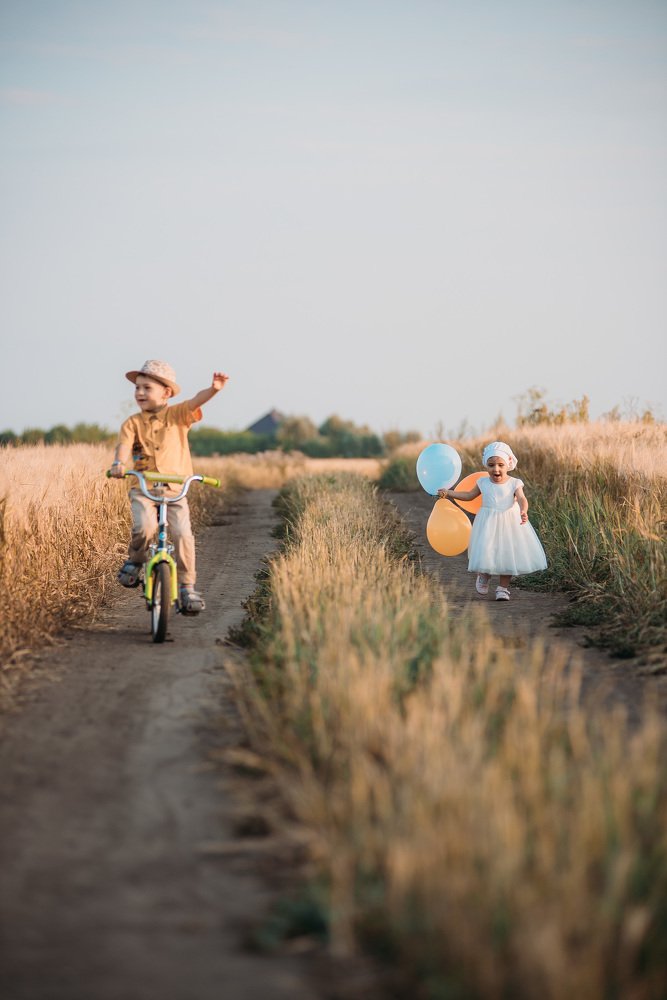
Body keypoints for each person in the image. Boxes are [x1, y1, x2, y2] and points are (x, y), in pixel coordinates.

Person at [108, 359, 229, 613]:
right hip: (144, 488)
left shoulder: (177, 415)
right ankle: (136, 560)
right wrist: (119, 463)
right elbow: (123, 446)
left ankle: (187, 587)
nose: (140, 393)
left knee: (183, 534)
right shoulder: (132, 423)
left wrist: (214, 389)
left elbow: (196, 401)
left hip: (175, 490)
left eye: (147, 388)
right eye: (137, 388)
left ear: (166, 393)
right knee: (145, 526)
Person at [438, 441, 547, 601]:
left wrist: (523, 510)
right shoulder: (483, 482)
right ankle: (484, 574)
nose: (496, 469)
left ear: (508, 463)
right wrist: (449, 493)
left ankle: (503, 588)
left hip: (510, 523)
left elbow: (522, 498)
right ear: (486, 465)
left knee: (508, 554)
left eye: (500, 465)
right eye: (491, 465)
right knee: (487, 549)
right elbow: (468, 496)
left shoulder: (514, 483)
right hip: (488, 522)